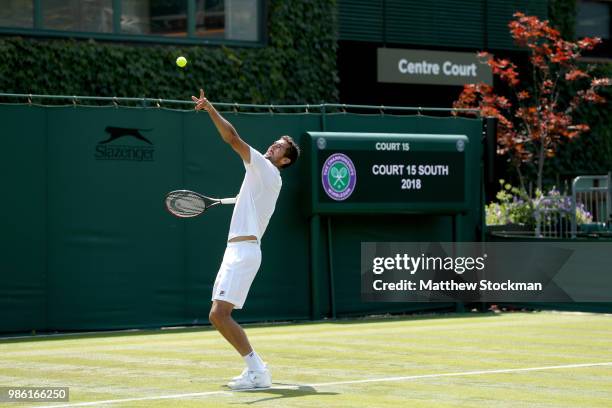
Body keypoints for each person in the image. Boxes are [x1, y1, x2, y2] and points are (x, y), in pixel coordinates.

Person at [191, 89, 300, 390]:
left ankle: (258, 371)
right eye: (274, 144)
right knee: (217, 315)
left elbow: (233, 138)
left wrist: (210, 108)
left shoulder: (266, 168)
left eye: (279, 148)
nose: (272, 148)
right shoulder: (261, 176)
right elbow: (246, 199)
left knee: (218, 314)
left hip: (244, 251)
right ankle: (255, 369)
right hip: (237, 250)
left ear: (284, 161)